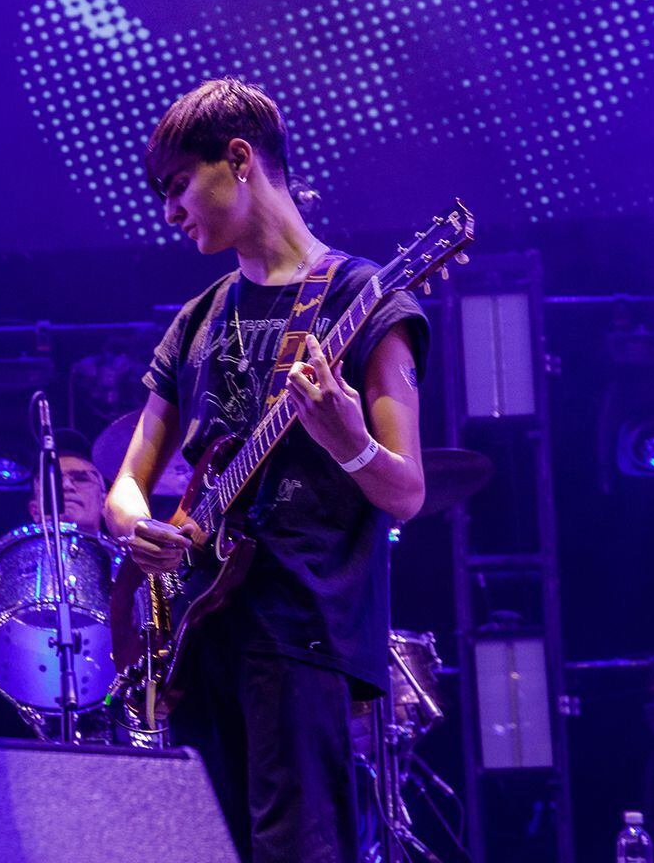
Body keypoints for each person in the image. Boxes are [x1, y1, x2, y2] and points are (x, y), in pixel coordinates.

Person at [104, 78, 428, 863]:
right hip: (196, 634)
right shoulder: (197, 320)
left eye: (178, 185)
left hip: (301, 635)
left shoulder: (361, 297)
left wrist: (348, 439)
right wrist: (137, 525)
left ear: (239, 159)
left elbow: (408, 492)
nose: (170, 212)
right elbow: (126, 484)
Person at [0, 447, 111, 680]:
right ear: (34, 509)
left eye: (81, 478)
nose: (66, 486)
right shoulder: (5, 562)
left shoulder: (130, 561)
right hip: (20, 689)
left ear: (105, 501)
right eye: (54, 481)